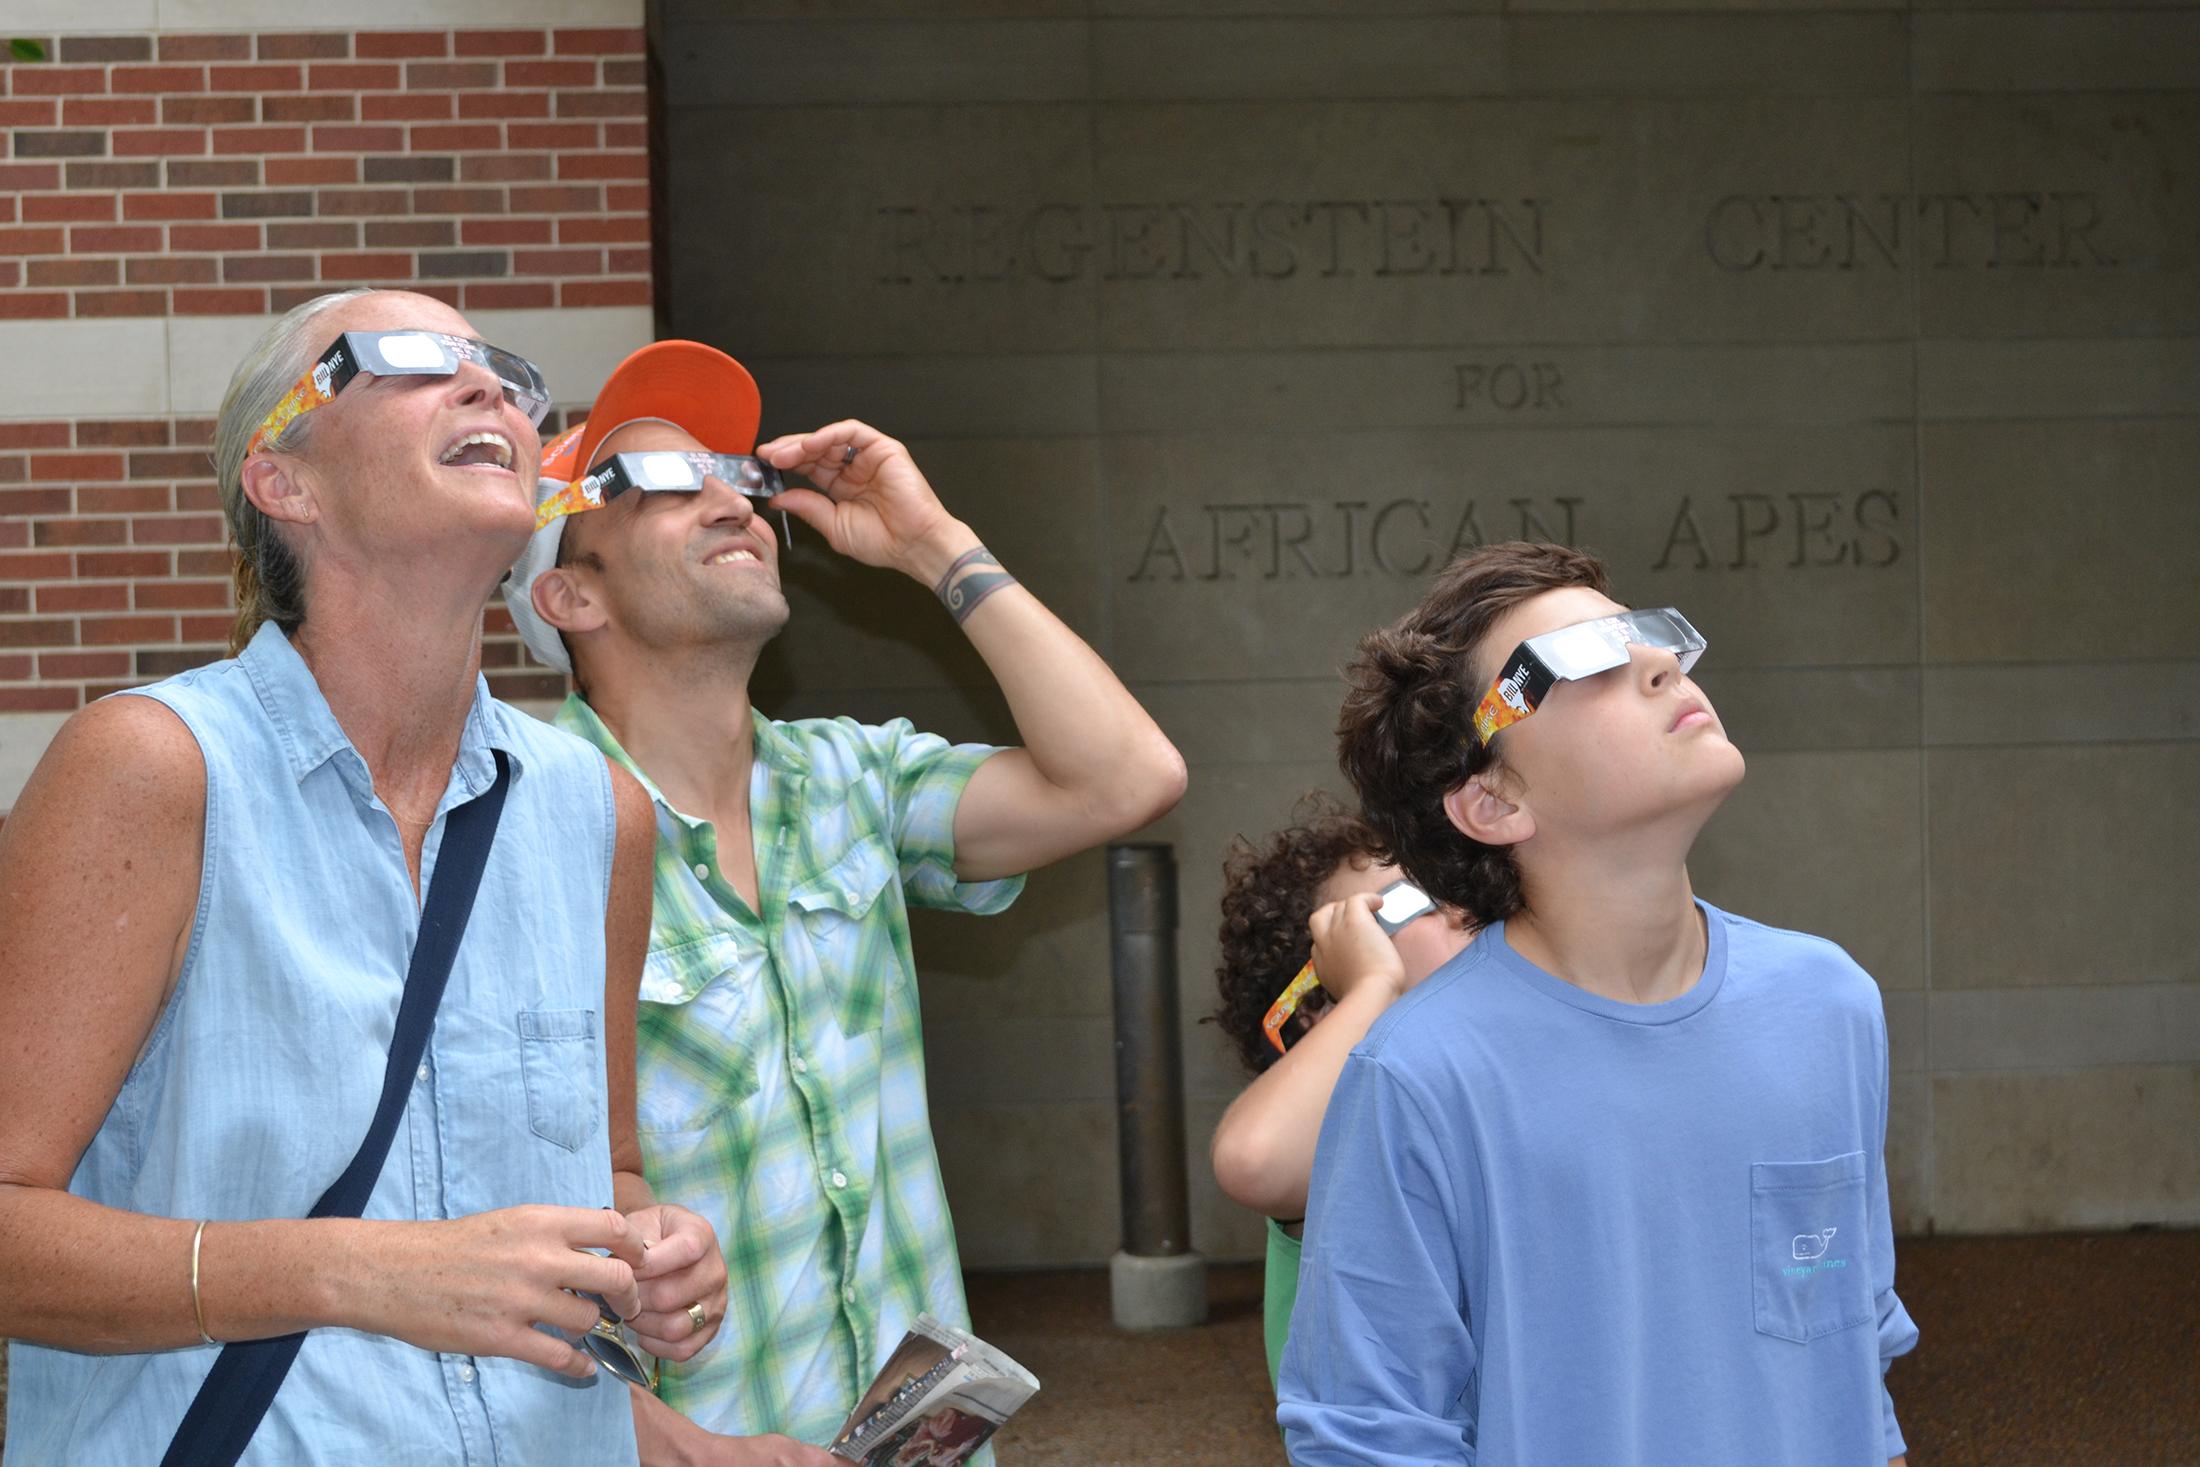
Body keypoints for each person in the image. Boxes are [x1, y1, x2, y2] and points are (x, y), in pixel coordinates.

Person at [0, 290, 729, 1464]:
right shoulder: (151, 768)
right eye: (405, 360)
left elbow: (615, 1169)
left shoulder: (599, 812)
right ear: (282, 481)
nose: (487, 386)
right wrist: (360, 1271)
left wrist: (655, 1251)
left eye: (497, 369)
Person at [499, 341, 1187, 1463]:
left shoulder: (851, 780)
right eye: (665, 482)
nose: (731, 496)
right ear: (570, 593)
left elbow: (1127, 777)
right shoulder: (520, 829)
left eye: (731, 470)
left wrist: (932, 547)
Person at [1279, 541, 1917, 1466]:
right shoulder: (1421, 1075)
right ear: (1493, 800)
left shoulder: (1829, 1005)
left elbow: (1860, 1360)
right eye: (1584, 662)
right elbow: (1370, 1436)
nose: (1660, 663)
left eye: (1648, 638)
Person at [1206, 794, 1473, 1388]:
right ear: (1318, 1006)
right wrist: (1375, 985)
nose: (1458, 908)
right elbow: (1254, 1158)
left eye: (1458, 883)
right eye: (1410, 901)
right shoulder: (1347, 1144)